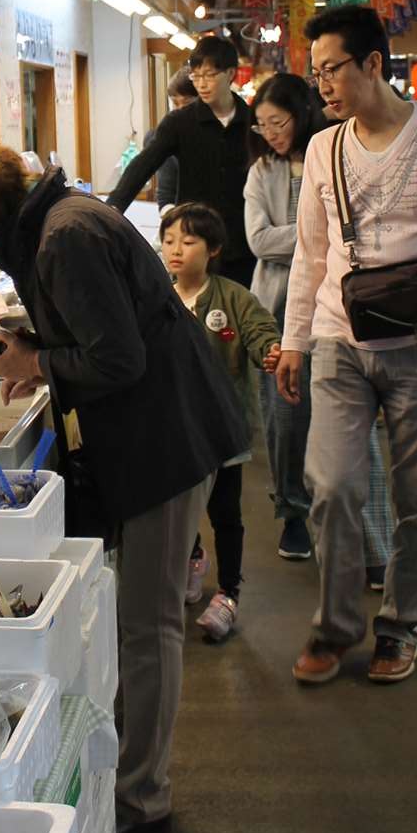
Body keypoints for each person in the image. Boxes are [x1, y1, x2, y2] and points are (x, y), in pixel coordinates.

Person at [0, 139, 247, 833]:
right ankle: (128, 773)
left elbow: (118, 357)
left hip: (165, 439)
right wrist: (36, 345)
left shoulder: (64, 236)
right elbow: (103, 331)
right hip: (159, 429)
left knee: (148, 627)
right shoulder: (58, 222)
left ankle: (140, 798)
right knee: (141, 620)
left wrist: (34, 358)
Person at [276, 6, 417, 687]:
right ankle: (336, 628)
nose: (325, 86)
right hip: (340, 341)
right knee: (333, 484)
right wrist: (294, 341)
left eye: (333, 69)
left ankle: (400, 624)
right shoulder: (323, 148)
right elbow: (312, 253)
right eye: (316, 75)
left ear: (374, 63)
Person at [245, 73, 394, 584]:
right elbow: (260, 242)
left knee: (356, 434)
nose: (269, 133)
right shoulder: (260, 173)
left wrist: (325, 237)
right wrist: (321, 233)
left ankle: (374, 543)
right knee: (283, 424)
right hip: (274, 312)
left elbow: (359, 232)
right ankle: (292, 515)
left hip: (339, 312)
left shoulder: (334, 154)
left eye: (278, 121)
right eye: (261, 124)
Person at [158, 202, 281, 642]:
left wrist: (269, 350)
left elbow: (259, 330)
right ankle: (193, 561)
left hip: (222, 428)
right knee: (179, 508)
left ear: (212, 250)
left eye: (188, 242)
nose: (176, 250)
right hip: (171, 429)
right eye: (169, 240)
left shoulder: (232, 297)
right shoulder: (155, 295)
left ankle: (228, 593)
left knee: (225, 513)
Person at [108, 35, 256, 286]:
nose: (202, 84)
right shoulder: (180, 123)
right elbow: (145, 164)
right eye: (196, 76)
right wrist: (112, 209)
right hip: (193, 243)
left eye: (209, 75)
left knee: (240, 315)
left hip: (243, 243)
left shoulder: (252, 122)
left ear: (231, 73)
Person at [141, 66, 197, 210]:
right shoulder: (161, 137)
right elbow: (165, 193)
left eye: (187, 103)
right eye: (175, 103)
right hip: (176, 215)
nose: (179, 110)